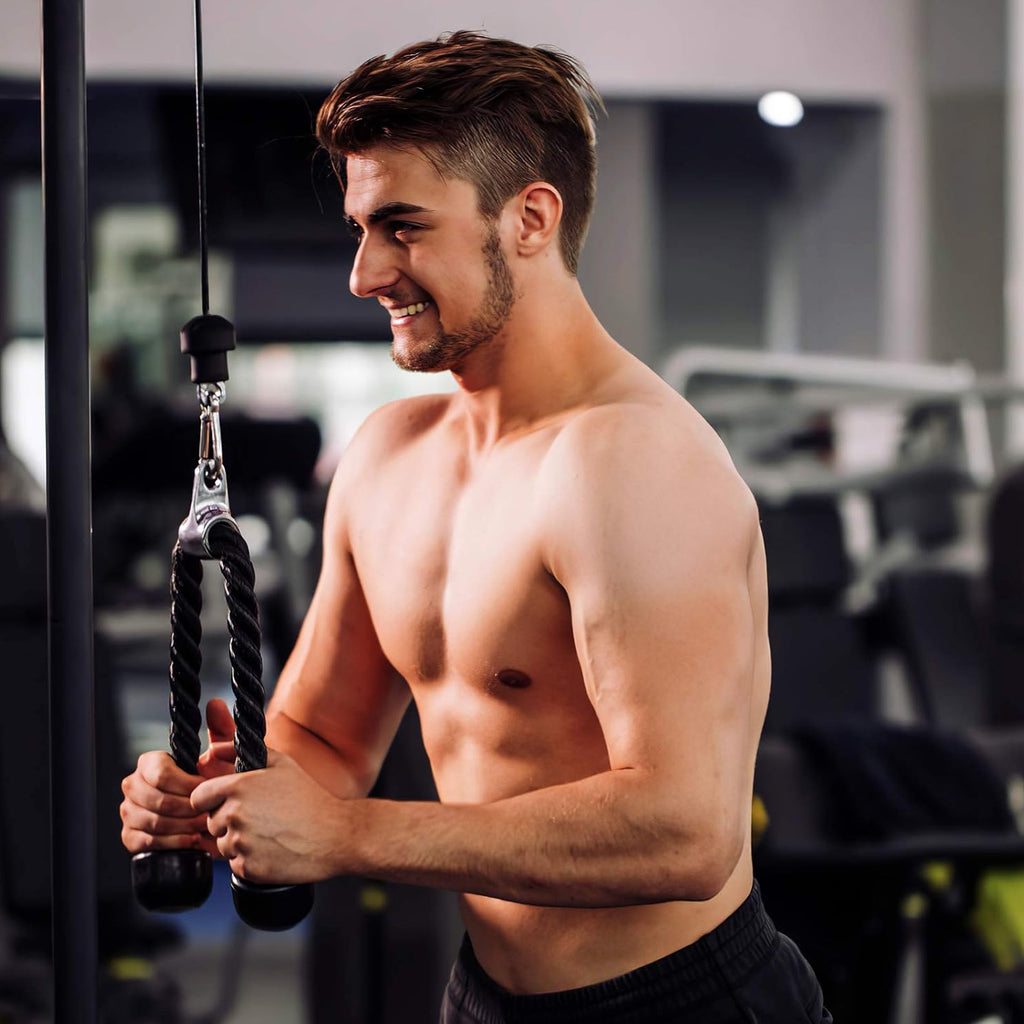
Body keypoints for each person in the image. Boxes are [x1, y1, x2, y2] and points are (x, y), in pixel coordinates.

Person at [120, 31, 831, 1023]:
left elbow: (684, 831)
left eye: (403, 228)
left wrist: (345, 834)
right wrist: (226, 799)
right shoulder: (389, 454)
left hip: (679, 1000)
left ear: (530, 218)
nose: (366, 274)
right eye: (361, 228)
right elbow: (322, 733)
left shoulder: (632, 465)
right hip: (487, 994)